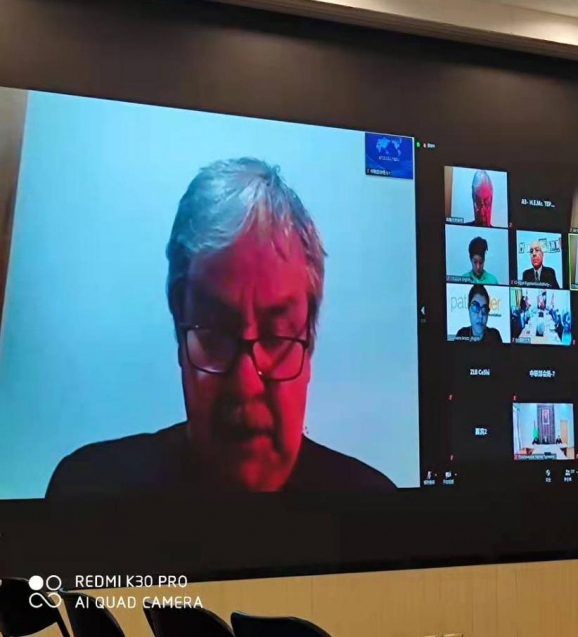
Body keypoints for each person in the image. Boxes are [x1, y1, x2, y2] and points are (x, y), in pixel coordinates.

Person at [46, 158, 395, 497]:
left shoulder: (373, 510)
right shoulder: (90, 491)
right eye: (214, 334)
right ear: (180, 334)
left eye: (276, 337)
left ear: (310, 344)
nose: (246, 384)